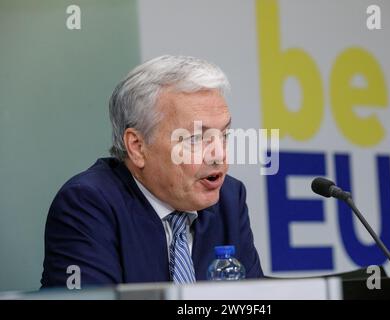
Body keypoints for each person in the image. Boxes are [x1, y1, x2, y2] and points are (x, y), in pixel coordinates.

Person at [41, 55, 264, 288]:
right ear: (137, 147)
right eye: (197, 138)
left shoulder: (229, 198)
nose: (219, 155)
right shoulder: (88, 204)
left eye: (224, 135)